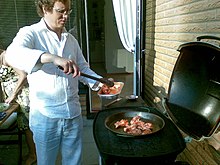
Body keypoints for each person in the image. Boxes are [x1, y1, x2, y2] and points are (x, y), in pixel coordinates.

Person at [5, 0, 111, 164]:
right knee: (46, 162)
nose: (66, 16)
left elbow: (82, 68)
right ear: (44, 9)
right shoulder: (31, 33)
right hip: (46, 116)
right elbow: (12, 54)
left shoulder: (71, 40)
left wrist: (99, 84)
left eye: (68, 11)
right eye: (61, 11)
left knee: (73, 161)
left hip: (73, 114)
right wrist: (51, 58)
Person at [0, 49, 36, 165]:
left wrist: (13, 94)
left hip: (22, 95)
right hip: (13, 98)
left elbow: (23, 75)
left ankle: (33, 155)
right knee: (24, 125)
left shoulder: (7, 56)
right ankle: (33, 152)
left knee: (28, 126)